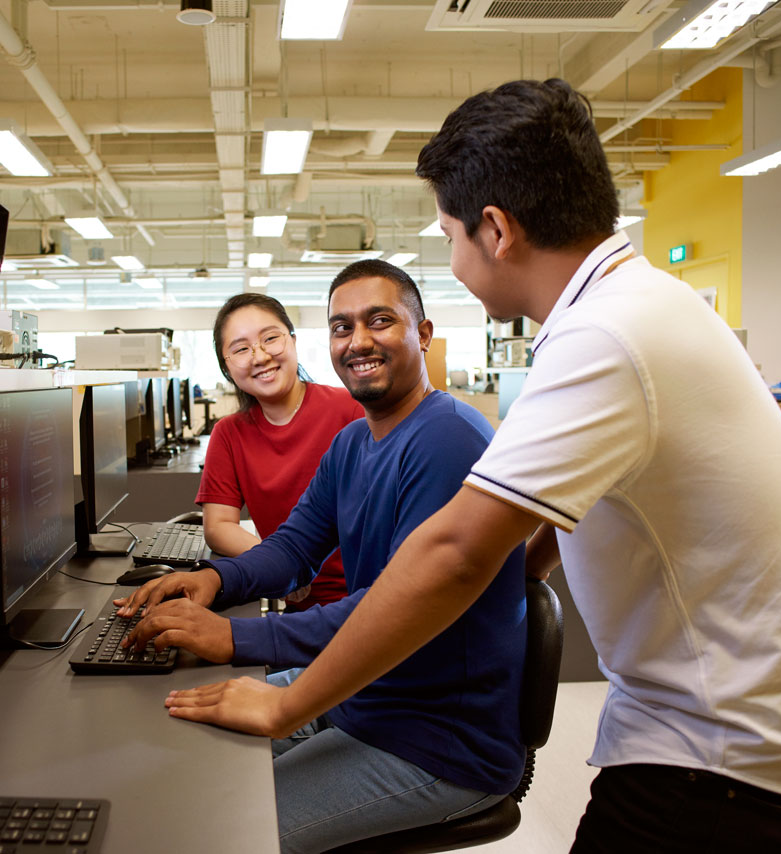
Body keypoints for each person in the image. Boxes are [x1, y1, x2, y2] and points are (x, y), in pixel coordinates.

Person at [162, 79, 781, 854]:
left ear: (495, 229)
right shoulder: (633, 310)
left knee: (217, 828)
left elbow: (456, 553)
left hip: (731, 755)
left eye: (449, 235)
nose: (453, 255)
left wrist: (281, 701)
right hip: (736, 731)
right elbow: (545, 523)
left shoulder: (602, 337)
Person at [118, 259, 529, 854]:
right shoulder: (355, 440)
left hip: (436, 740)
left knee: (221, 829)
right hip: (364, 695)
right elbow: (293, 548)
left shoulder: (448, 439)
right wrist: (214, 580)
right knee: (185, 760)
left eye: (380, 321)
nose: (358, 341)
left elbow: (390, 609)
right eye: (342, 327)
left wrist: (236, 641)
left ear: (424, 334)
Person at [197, 293, 363, 609]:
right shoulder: (229, 434)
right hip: (297, 605)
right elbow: (218, 526)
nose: (259, 356)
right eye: (241, 349)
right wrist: (279, 565)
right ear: (227, 367)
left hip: (365, 599)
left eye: (270, 339)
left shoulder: (352, 410)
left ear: (293, 341)